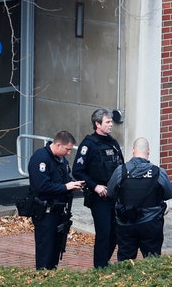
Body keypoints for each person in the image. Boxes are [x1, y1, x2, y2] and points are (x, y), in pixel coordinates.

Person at [72, 108, 124, 268]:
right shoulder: (89, 145)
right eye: (107, 122)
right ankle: (100, 268)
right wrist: (95, 187)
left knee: (115, 234)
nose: (111, 125)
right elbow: (77, 171)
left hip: (115, 196)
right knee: (104, 233)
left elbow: (121, 167)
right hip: (99, 198)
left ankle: (104, 263)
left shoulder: (113, 143)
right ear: (97, 124)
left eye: (111, 122)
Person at [107, 137, 172, 261]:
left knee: (125, 262)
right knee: (152, 262)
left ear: (133, 150)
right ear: (148, 151)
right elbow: (169, 194)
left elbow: (110, 192)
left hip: (125, 222)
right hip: (151, 222)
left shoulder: (121, 171)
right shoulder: (158, 172)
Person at [27, 130, 84, 270]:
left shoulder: (61, 160)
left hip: (59, 212)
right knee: (45, 252)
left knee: (55, 251)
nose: (69, 153)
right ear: (58, 145)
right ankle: (42, 279)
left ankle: (52, 278)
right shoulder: (40, 158)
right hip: (45, 212)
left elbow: (64, 180)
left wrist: (73, 185)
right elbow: (41, 186)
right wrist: (66, 187)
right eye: (67, 149)